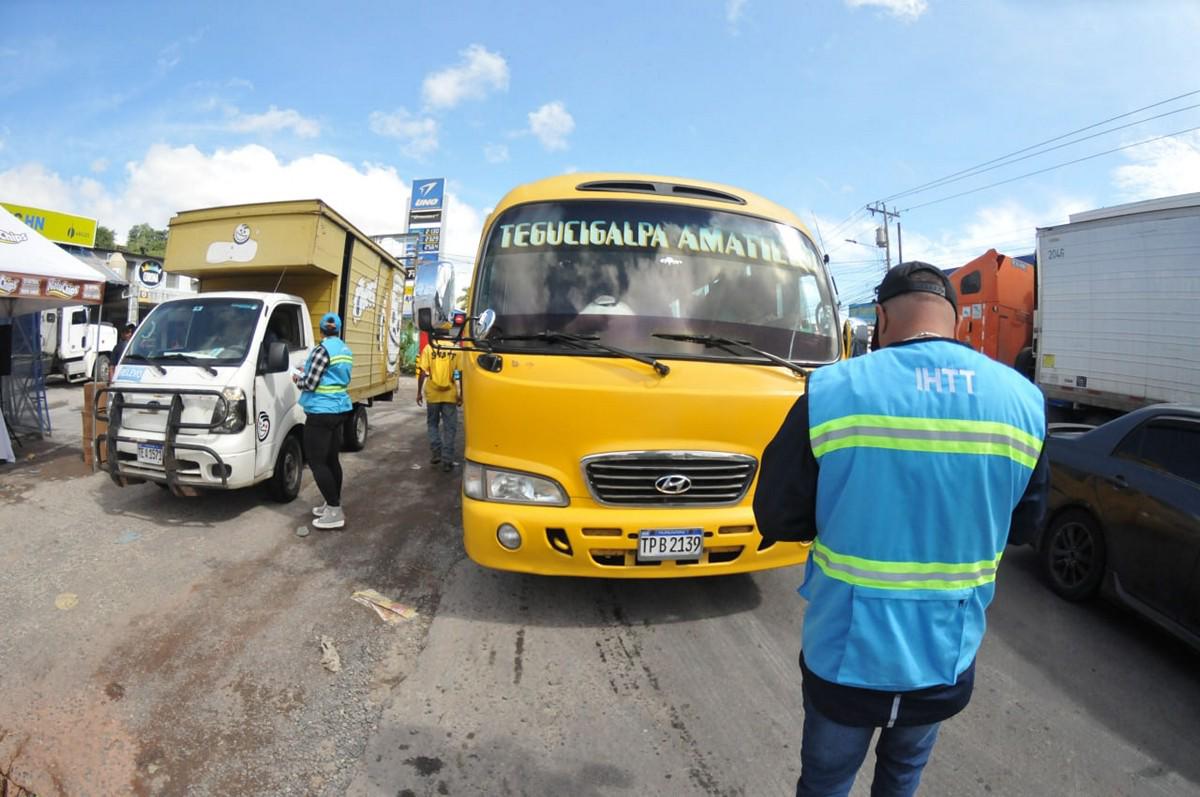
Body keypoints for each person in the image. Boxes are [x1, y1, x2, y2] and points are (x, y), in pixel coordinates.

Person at [753, 262, 1048, 797]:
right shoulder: (1023, 402)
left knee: (825, 782)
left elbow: (775, 514)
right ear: (956, 324)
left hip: (844, 655)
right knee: (903, 776)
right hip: (944, 654)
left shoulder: (832, 390)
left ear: (881, 318)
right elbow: (1026, 523)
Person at [294, 312, 354, 530]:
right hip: (340, 409)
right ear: (337, 329)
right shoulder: (345, 350)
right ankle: (331, 504)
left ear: (321, 330)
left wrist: (298, 377)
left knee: (317, 462)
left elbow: (309, 383)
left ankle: (335, 511)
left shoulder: (321, 350)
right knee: (331, 460)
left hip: (321, 411)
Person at [416, 339, 462, 472]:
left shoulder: (429, 348)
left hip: (433, 394)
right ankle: (447, 460)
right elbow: (461, 373)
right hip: (450, 395)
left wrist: (419, 392)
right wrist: (461, 394)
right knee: (450, 428)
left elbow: (423, 372)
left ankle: (436, 452)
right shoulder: (456, 349)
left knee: (432, 424)